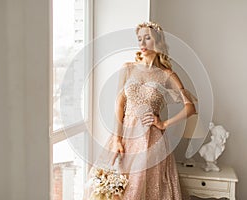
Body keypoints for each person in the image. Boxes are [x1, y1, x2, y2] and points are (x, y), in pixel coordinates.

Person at [84, 21, 196, 200]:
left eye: (147, 38)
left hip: (151, 139)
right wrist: (117, 139)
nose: (142, 43)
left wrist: (164, 123)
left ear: (157, 42)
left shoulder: (166, 74)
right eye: (139, 39)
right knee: (118, 188)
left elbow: (190, 108)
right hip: (126, 135)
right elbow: (119, 104)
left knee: (143, 189)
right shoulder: (128, 68)